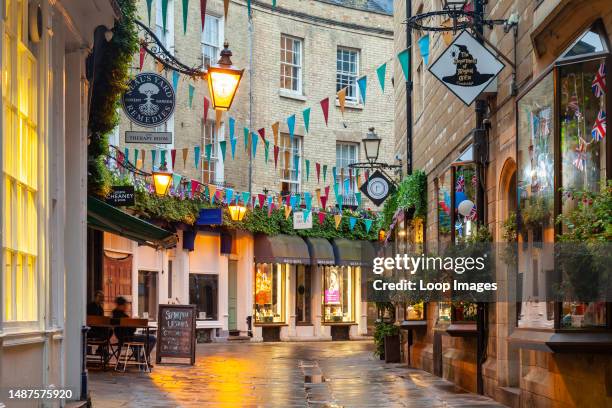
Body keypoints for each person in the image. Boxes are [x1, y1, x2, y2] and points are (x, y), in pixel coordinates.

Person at [112, 296, 156, 363]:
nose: (127, 306)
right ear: (122, 305)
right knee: (153, 338)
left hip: (121, 338)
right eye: (125, 305)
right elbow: (133, 329)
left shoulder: (114, 315)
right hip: (129, 338)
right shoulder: (125, 317)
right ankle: (142, 358)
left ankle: (139, 359)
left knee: (139, 340)